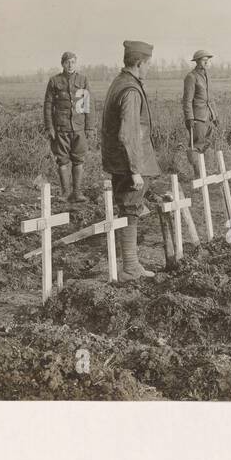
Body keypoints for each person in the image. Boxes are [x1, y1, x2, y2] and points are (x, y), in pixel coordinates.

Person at [101, 40, 160, 280]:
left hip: (119, 160)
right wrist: (135, 170)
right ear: (138, 63)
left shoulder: (120, 82)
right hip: (128, 162)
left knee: (131, 206)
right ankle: (131, 266)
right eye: (147, 65)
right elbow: (128, 133)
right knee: (130, 209)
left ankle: (130, 263)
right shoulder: (131, 91)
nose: (149, 69)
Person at [42, 51, 92, 203]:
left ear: (76, 63)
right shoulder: (54, 81)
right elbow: (48, 106)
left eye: (73, 62)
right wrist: (50, 127)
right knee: (62, 160)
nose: (70, 65)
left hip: (78, 128)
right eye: (67, 62)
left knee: (78, 160)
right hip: (61, 128)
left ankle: (77, 193)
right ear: (62, 64)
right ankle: (65, 193)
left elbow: (87, 105)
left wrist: (89, 127)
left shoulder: (83, 80)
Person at [182, 50, 219, 158]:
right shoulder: (191, 77)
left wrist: (215, 116)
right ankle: (197, 173)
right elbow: (187, 100)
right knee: (196, 147)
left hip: (209, 117)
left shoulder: (207, 77)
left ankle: (204, 171)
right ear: (197, 61)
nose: (206, 63)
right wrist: (189, 118)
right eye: (204, 60)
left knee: (207, 144)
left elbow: (210, 99)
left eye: (208, 61)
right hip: (197, 119)